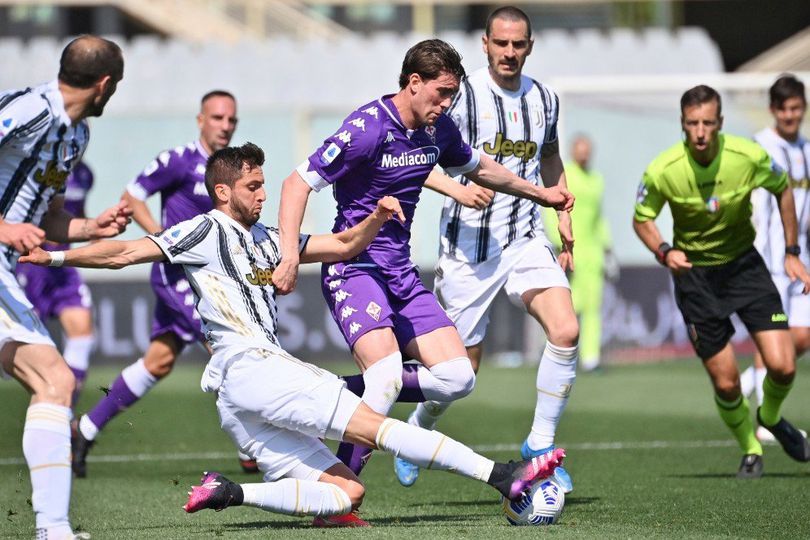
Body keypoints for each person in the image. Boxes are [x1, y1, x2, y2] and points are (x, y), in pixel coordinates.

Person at [19, 142, 566, 528]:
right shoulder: (205, 229)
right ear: (222, 190)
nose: (262, 194)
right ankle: (502, 475)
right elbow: (125, 252)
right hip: (251, 365)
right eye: (253, 186)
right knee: (374, 425)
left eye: (263, 183)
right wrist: (56, 254)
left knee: (345, 494)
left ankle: (231, 492)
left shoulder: (267, 237)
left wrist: (375, 220)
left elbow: (344, 247)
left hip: (237, 398)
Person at [273, 38, 573, 506]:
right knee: (388, 374)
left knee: (458, 378)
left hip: (401, 273)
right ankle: (340, 495)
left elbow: (482, 168)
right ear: (414, 83)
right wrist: (290, 253)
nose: (448, 102)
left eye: (453, 94)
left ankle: (321, 395)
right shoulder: (368, 128)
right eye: (442, 92)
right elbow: (297, 183)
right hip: (353, 268)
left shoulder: (437, 130)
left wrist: (541, 194)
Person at [394, 6, 578, 493]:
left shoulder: (546, 99)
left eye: (519, 45)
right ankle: (418, 426)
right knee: (460, 372)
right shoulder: (462, 95)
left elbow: (551, 155)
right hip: (467, 252)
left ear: (530, 46)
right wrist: (455, 190)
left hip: (524, 238)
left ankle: (540, 444)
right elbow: (417, 153)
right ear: (486, 43)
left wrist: (562, 213)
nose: (510, 53)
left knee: (566, 329)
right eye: (502, 44)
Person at [633, 84, 810, 479]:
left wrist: (792, 251)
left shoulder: (746, 157)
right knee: (727, 383)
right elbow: (641, 218)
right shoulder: (663, 169)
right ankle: (750, 447)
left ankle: (770, 414)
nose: (699, 132)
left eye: (708, 123)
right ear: (682, 123)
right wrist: (664, 251)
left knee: (783, 366)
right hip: (695, 277)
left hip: (745, 267)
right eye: (692, 123)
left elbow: (782, 189)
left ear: (720, 124)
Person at [70, 90, 248, 477]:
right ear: (200, 120)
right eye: (217, 118)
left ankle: (83, 429)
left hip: (215, 281)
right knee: (229, 348)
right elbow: (132, 197)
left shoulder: (234, 170)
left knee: (159, 361)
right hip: (177, 277)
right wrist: (164, 241)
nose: (225, 126)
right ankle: (252, 446)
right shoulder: (179, 161)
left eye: (231, 120)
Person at [0, 35, 129, 540]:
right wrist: (5, 229)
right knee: (54, 380)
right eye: (115, 87)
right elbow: (14, 223)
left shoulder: (75, 137)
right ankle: (53, 530)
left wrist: (91, 228)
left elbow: (48, 217)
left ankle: (53, 529)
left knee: (52, 382)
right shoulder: (29, 109)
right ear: (103, 84)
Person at [745, 74, 810, 442]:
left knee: (801, 336)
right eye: (784, 109)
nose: (790, 115)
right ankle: (763, 422)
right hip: (769, 258)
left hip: (800, 258)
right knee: (772, 334)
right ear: (773, 110)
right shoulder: (760, 147)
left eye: (796, 108)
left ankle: (751, 380)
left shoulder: (806, 148)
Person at [15, 161, 96, 408]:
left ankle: (64, 408)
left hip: (62, 266)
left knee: (83, 333)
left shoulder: (84, 174)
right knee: (26, 346)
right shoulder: (37, 164)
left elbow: (74, 215)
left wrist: (95, 230)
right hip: (30, 263)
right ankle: (51, 404)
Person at [556, 134, 614, 373]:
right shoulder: (564, 175)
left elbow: (599, 218)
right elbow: (553, 211)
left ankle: (591, 358)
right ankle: (554, 350)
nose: (584, 154)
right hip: (569, 250)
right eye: (581, 150)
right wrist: (557, 242)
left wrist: (607, 247)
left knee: (592, 308)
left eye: (588, 150)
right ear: (572, 151)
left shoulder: (596, 179)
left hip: (592, 254)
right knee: (567, 306)